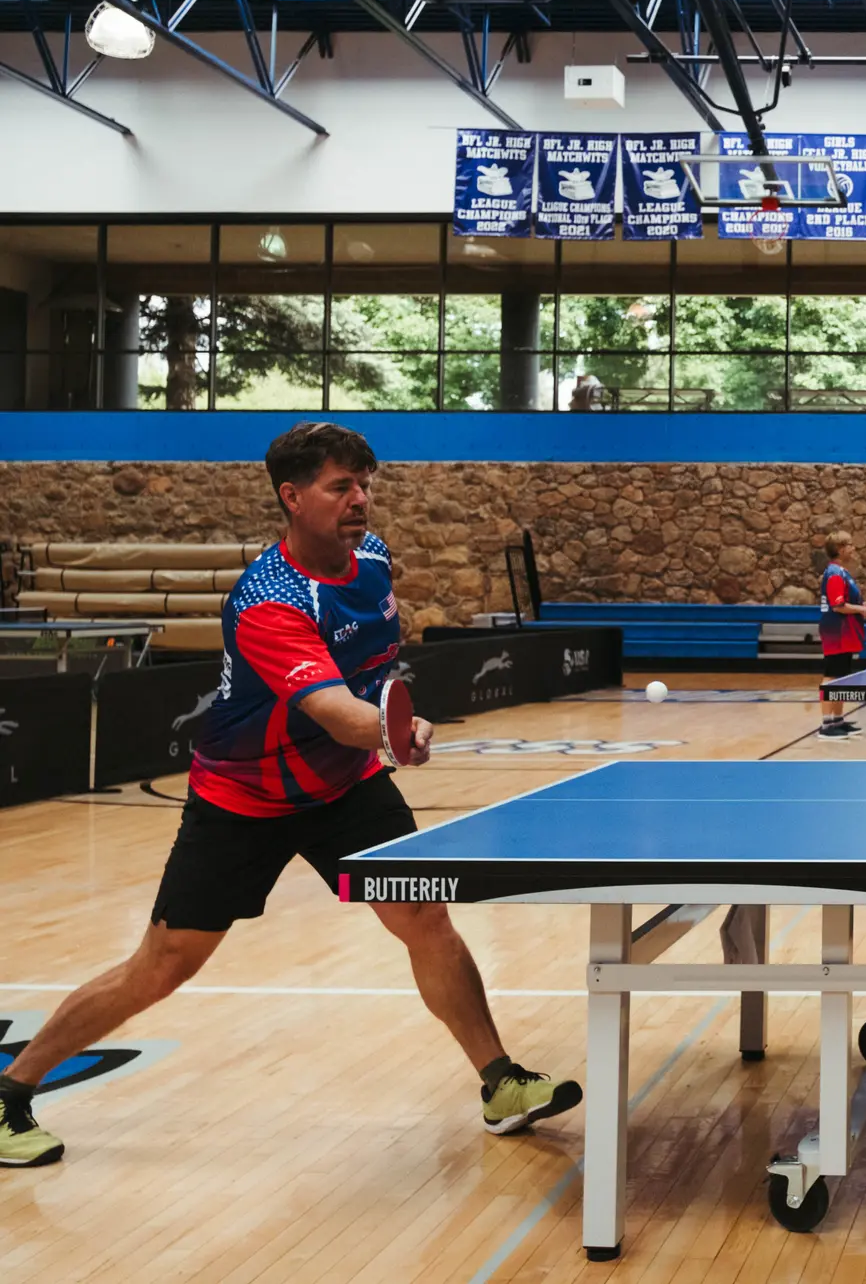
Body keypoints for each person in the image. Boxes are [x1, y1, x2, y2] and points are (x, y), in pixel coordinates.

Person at [0, 422, 578, 1170]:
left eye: (365, 484)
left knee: (425, 918)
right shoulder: (271, 601)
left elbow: (367, 666)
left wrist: (381, 721)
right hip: (245, 799)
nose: (359, 499)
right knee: (165, 963)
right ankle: (12, 1089)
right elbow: (335, 710)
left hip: (346, 787)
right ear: (292, 496)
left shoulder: (371, 558)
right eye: (341, 487)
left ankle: (501, 1081)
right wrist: (394, 728)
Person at [817, 532, 866, 741]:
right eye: (850, 545)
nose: (854, 549)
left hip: (845, 632)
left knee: (841, 677)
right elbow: (838, 606)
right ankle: (826, 724)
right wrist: (861, 610)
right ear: (841, 549)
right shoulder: (835, 574)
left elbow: (845, 603)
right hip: (836, 632)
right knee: (832, 675)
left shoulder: (842, 572)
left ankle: (837, 720)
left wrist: (863, 605)